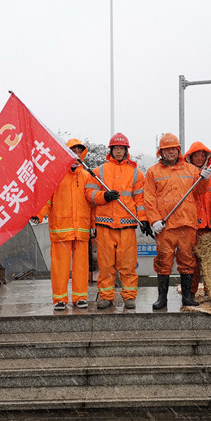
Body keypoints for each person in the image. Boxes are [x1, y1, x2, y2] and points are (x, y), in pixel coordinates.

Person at [84, 133, 151, 310]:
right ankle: (106, 297)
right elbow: (89, 194)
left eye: (122, 148)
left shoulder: (136, 174)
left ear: (126, 150)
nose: (119, 151)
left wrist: (143, 220)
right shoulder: (100, 171)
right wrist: (103, 196)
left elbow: (140, 201)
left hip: (127, 225)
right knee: (106, 266)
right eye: (116, 148)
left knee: (128, 265)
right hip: (105, 225)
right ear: (111, 150)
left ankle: (129, 296)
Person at [145, 133, 211, 310]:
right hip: (165, 227)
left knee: (188, 261)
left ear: (178, 150)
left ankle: (188, 297)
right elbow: (149, 199)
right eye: (167, 150)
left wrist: (204, 179)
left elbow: (200, 192)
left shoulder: (190, 170)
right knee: (163, 261)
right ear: (161, 152)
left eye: (173, 149)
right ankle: (162, 299)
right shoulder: (153, 172)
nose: (170, 152)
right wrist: (154, 220)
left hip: (187, 224)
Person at [36, 139, 94, 310]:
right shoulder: (55, 175)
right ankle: (59, 299)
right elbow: (46, 199)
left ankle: (80, 297)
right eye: (72, 151)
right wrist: (38, 215)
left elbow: (91, 203)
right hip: (60, 229)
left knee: (81, 267)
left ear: (82, 154)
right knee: (60, 267)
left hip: (82, 230)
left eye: (78, 152)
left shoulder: (87, 176)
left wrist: (93, 226)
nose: (75, 155)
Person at [183, 141, 211, 296]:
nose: (199, 158)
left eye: (202, 155)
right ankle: (191, 292)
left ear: (207, 156)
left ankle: (210, 292)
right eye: (196, 155)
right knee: (192, 261)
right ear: (190, 157)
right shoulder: (186, 174)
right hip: (192, 225)